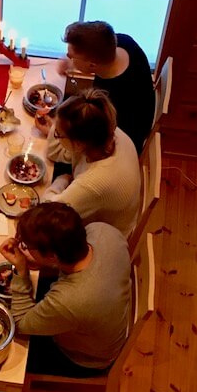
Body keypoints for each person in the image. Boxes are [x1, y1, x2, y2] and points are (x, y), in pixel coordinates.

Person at [0, 202, 131, 375]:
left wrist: (21, 270)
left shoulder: (71, 299)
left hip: (85, 359)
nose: (25, 248)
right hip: (104, 320)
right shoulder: (102, 230)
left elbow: (21, 323)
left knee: (7, 349)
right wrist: (40, 260)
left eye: (28, 247)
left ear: (53, 256)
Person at [36, 88, 140, 237]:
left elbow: (47, 213)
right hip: (104, 212)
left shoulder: (94, 182)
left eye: (59, 134)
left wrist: (61, 181)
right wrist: (54, 127)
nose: (55, 134)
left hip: (104, 236)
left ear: (78, 144)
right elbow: (56, 154)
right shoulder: (105, 132)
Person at [56, 21, 154, 154]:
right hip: (137, 110)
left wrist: (59, 133)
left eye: (71, 56)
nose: (68, 58)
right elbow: (95, 42)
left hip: (120, 142)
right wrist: (72, 62)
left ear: (92, 65)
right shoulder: (123, 42)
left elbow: (94, 141)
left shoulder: (111, 98)